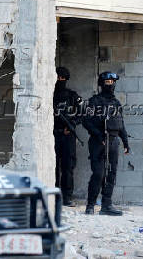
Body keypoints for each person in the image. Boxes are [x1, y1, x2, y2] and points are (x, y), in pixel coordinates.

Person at [82, 71, 130, 216]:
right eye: (107, 83)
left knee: (111, 174)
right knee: (98, 174)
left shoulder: (116, 103)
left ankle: (106, 205)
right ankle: (90, 205)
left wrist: (126, 142)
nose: (110, 85)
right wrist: (98, 136)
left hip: (114, 142)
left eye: (112, 82)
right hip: (99, 142)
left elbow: (120, 124)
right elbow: (86, 122)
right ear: (102, 84)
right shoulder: (94, 101)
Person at [53, 66, 83, 207]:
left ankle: (67, 197)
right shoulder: (48, 95)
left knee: (67, 167)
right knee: (52, 167)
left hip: (68, 136)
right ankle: (52, 196)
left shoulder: (72, 96)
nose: (60, 80)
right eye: (58, 78)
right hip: (51, 135)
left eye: (63, 78)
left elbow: (83, 113)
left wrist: (72, 124)